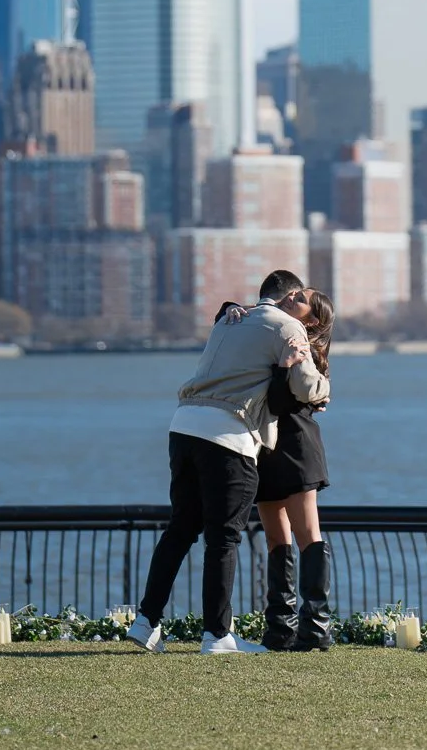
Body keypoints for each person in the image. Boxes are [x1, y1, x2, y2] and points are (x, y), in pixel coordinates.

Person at [127, 270, 329, 656]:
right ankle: (217, 635)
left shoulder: (229, 319)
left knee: (180, 529)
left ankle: (146, 622)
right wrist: (324, 390)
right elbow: (306, 388)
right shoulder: (288, 327)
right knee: (223, 538)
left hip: (183, 426)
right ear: (291, 295)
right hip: (228, 435)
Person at [256, 288, 335, 652]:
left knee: (308, 535)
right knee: (276, 539)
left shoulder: (304, 348)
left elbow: (287, 397)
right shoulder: (278, 336)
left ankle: (316, 627)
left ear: (312, 319)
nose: (292, 295)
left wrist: (285, 369)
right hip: (266, 447)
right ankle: (279, 628)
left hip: (297, 446)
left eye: (301, 298)